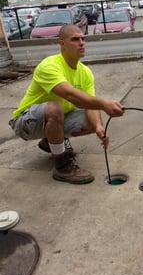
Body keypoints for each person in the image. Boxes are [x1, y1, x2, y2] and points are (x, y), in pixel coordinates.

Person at [9, 25, 124, 184]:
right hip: (25, 123)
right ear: (62, 44)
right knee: (55, 107)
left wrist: (98, 126)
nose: (82, 43)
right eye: (75, 39)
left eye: (83, 38)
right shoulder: (49, 65)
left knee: (92, 120)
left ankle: (50, 142)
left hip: (50, 120)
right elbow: (70, 95)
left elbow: (89, 104)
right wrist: (104, 103)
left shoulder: (85, 72)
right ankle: (62, 167)